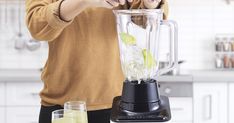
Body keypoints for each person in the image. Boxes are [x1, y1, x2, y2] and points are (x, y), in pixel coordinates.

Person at [25, 0, 168, 123]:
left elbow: (145, 18)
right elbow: (37, 26)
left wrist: (151, 4)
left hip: (117, 104)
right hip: (64, 107)